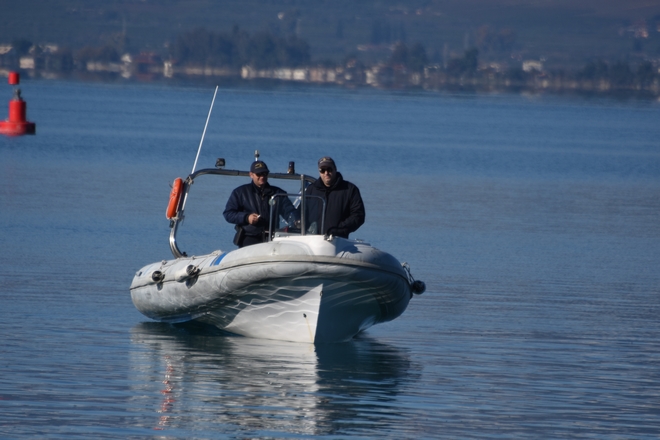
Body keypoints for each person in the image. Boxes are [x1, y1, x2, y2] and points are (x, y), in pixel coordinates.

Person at [223, 160, 292, 247]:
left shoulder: (278, 193)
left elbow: (290, 212)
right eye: (259, 174)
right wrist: (247, 217)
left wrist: (297, 221)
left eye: (265, 174)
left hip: (272, 238)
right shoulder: (240, 192)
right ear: (251, 175)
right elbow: (228, 214)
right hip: (249, 238)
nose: (262, 177)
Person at [305, 156, 365, 238]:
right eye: (322, 170)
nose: (326, 173)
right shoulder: (311, 190)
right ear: (319, 172)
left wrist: (339, 229)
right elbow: (302, 212)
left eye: (329, 169)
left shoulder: (350, 189)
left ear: (335, 169)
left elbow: (358, 215)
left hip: (338, 242)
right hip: (312, 240)